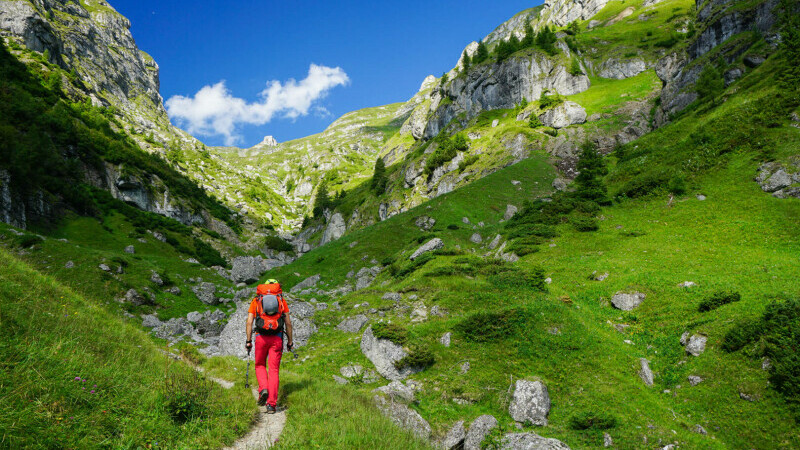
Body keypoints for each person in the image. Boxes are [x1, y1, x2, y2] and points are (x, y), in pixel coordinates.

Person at [245, 279, 293, 414]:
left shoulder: (256, 300)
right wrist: (290, 342)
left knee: (259, 365)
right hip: (277, 338)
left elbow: (249, 322)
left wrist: (248, 341)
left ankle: (263, 389)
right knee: (273, 370)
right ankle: (271, 405)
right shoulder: (281, 300)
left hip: (261, 337)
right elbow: (288, 324)